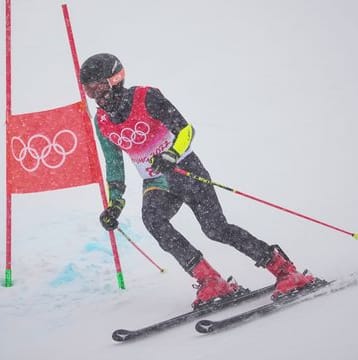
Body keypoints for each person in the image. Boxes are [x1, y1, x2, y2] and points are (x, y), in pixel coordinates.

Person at [80, 53, 317, 308]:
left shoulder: (146, 97)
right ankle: (210, 280)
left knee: (215, 229)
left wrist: (172, 154)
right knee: (154, 221)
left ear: (116, 79)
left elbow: (186, 129)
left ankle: (285, 270)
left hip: (185, 171)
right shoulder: (102, 122)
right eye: (90, 91)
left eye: (100, 86)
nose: (97, 95)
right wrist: (115, 204)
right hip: (157, 183)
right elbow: (114, 164)